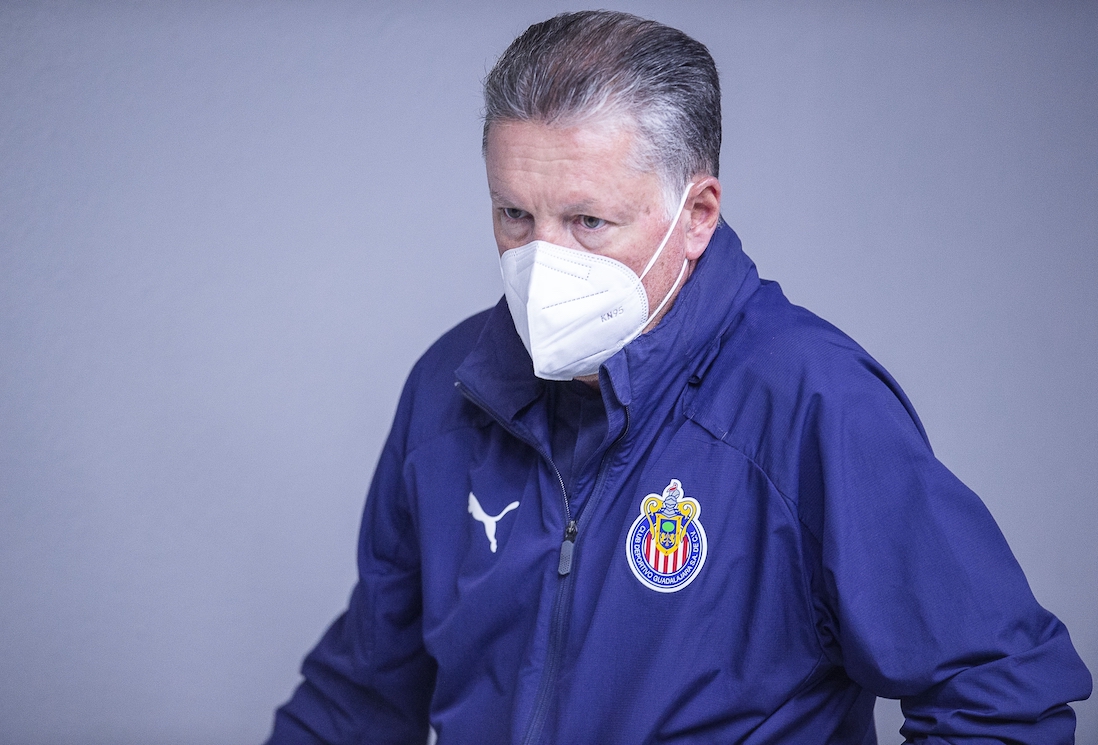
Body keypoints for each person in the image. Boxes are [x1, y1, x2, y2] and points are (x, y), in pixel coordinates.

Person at [266, 11, 1091, 744]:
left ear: (696, 216)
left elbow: (1003, 697)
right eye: (514, 214)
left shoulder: (811, 404)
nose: (540, 261)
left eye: (588, 221)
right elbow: (358, 701)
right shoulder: (449, 390)